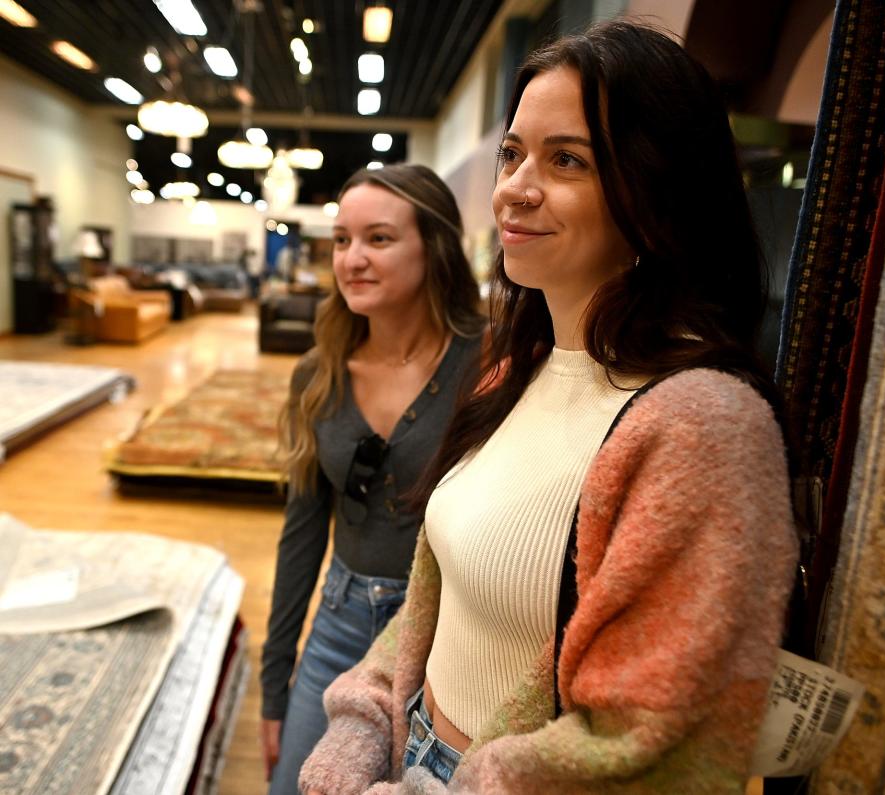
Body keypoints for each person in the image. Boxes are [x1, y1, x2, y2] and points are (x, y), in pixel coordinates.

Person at [299, 19, 798, 794]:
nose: (514, 188)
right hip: (408, 749)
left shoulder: (704, 426)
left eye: (566, 159)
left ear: (655, 189)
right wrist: (363, 721)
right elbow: (443, 597)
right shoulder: (512, 369)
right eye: (511, 154)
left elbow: (646, 748)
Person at [260, 164, 485, 794]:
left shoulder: (489, 363)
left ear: (434, 248)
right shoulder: (320, 371)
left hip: (443, 634)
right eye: (340, 240)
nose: (352, 259)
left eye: (378, 239)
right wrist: (273, 687)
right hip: (338, 620)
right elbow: (301, 535)